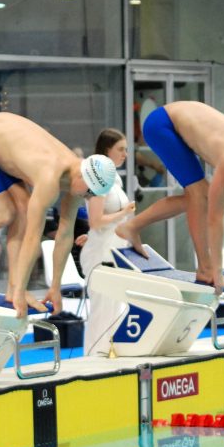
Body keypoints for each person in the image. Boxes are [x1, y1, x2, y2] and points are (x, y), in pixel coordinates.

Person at [0, 113, 117, 317]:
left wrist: (55, 287)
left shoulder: (78, 178)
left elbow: (65, 234)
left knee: (23, 210)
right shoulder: (50, 176)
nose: (88, 197)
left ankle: (13, 288)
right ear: (82, 176)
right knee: (4, 213)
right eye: (90, 192)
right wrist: (21, 291)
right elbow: (32, 239)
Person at [115, 101, 224, 291]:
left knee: (198, 196)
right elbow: (215, 220)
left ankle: (131, 226)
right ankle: (204, 269)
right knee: (201, 196)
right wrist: (217, 272)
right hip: (162, 123)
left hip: (176, 125)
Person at [80, 128, 135, 354]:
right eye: (120, 149)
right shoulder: (99, 178)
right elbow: (95, 221)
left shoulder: (115, 180)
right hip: (101, 254)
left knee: (115, 310)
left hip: (114, 250)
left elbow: (101, 222)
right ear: (106, 150)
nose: (125, 154)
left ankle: (109, 354)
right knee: (102, 312)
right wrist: (124, 213)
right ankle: (93, 358)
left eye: (126, 149)